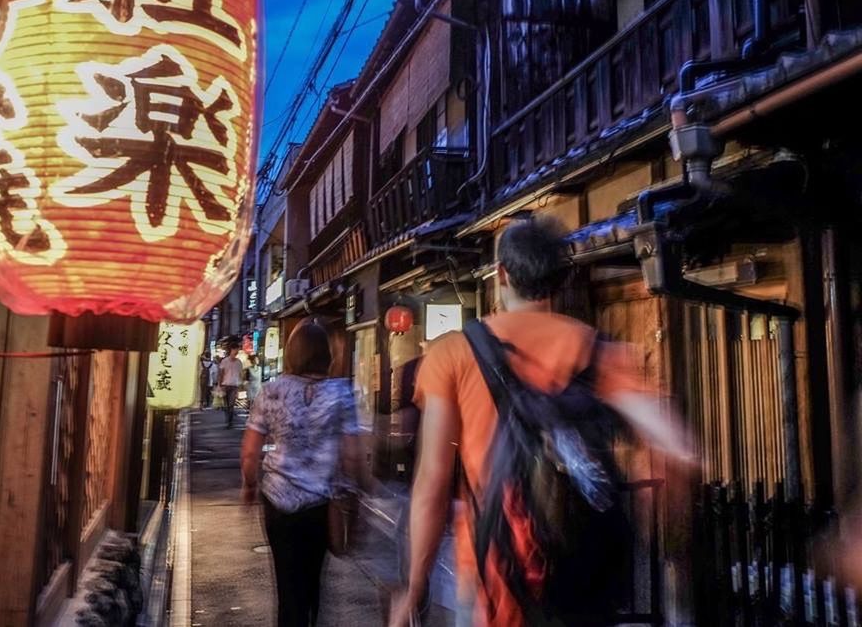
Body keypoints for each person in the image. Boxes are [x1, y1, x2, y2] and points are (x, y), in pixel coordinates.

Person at [388, 214, 694, 627]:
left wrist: (415, 584)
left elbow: (432, 482)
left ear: (502, 275)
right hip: (580, 583)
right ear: (558, 278)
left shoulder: (453, 354)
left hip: (493, 581)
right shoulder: (596, 349)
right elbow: (675, 449)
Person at [241, 317, 361, 627]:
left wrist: (250, 485)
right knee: (312, 579)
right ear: (325, 354)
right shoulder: (341, 393)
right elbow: (351, 453)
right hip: (320, 503)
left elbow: (251, 450)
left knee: (286, 580)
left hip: (278, 500)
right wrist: (355, 488)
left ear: (292, 353)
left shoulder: (271, 392)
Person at [218, 337, 244, 428]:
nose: (236, 352)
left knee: (231, 404)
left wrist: (241, 386)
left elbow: (241, 375)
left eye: (237, 350)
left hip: (234, 386)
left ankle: (230, 422)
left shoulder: (239, 362)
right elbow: (221, 374)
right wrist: (219, 385)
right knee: (226, 405)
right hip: (225, 385)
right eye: (235, 350)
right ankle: (228, 419)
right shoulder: (224, 361)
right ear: (231, 350)